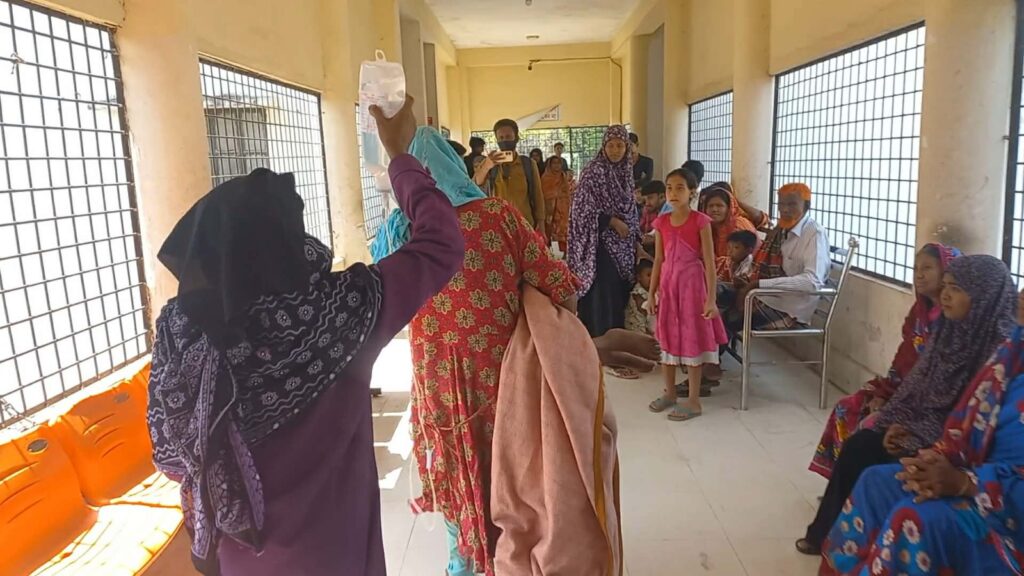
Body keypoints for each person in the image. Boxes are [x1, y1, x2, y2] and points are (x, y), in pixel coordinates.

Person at [146, 97, 465, 576]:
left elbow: (173, 458)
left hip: (241, 554)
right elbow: (441, 243)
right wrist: (400, 156)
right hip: (336, 550)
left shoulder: (182, 332)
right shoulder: (340, 311)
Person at [378, 126, 577, 576]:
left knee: (454, 464)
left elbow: (382, 294)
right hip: (502, 373)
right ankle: (511, 557)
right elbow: (558, 283)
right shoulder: (498, 216)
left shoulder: (400, 228)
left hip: (437, 377)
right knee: (509, 464)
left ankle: (462, 560)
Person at [796, 255, 1018, 556]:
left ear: (984, 296)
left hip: (963, 453)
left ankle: (874, 546)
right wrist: (894, 423)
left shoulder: (1001, 353)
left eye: (957, 289)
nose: (946, 295)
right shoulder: (947, 331)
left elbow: (973, 420)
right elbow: (916, 387)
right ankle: (826, 534)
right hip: (921, 428)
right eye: (946, 286)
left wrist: (919, 437)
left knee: (890, 463)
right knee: (861, 444)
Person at [809, 244, 961, 480]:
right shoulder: (920, 312)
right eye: (915, 269)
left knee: (869, 428)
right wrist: (885, 393)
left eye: (927, 268)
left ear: (947, 271)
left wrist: (898, 405)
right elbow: (904, 358)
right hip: (903, 391)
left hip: (929, 406)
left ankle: (854, 485)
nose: (919, 275)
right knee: (847, 407)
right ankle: (844, 484)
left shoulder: (956, 320)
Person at [647, 167, 728, 422]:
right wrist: (651, 294)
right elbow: (658, 259)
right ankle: (670, 393)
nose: (673, 193)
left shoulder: (700, 221)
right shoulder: (661, 222)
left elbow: (710, 262)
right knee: (667, 338)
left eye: (680, 188)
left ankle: (693, 401)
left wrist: (711, 299)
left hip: (693, 288)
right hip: (669, 288)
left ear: (692, 192)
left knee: (693, 337)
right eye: (669, 188)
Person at [568, 125, 641, 340]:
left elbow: (631, 212)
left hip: (624, 245)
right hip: (598, 244)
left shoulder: (626, 172)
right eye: (611, 145)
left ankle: (618, 340)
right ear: (603, 147)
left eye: (620, 145)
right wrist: (611, 221)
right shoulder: (593, 172)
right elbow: (580, 209)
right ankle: (601, 341)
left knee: (618, 293)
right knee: (603, 295)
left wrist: (635, 241)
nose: (615, 150)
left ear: (627, 148)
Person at [732, 183, 830, 331]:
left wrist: (758, 284)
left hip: (790, 308)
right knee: (716, 298)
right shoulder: (780, 230)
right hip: (766, 296)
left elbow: (812, 282)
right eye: (781, 204)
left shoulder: (814, 233)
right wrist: (751, 282)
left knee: (729, 319)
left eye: (791, 204)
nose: (784, 209)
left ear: (806, 206)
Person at [473, 119, 545, 232]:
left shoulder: (528, 164)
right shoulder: (489, 163)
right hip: (499, 225)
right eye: (501, 138)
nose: (504, 141)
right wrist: (487, 166)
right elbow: (476, 183)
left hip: (525, 224)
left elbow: (537, 195)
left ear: (516, 138)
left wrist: (541, 224)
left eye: (508, 137)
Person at [699, 183, 760, 280]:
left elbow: (743, 258)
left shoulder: (739, 225)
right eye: (710, 206)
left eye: (719, 206)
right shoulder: (708, 226)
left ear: (729, 208)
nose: (714, 209)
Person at [541, 155, 572, 251]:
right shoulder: (545, 178)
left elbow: (567, 193)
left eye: (558, 163)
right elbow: (545, 194)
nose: (557, 165)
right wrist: (555, 195)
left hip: (563, 209)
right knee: (550, 231)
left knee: (563, 230)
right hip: (550, 210)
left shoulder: (563, 176)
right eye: (554, 163)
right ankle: (549, 252)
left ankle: (563, 252)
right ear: (550, 165)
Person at [626, 259, 654, 335]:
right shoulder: (637, 293)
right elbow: (643, 307)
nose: (652, 278)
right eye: (648, 275)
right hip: (637, 328)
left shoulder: (653, 291)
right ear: (639, 277)